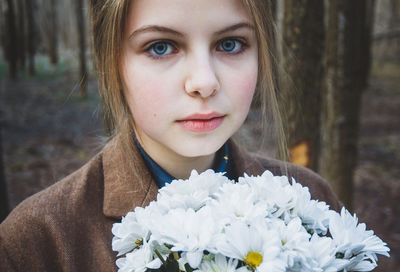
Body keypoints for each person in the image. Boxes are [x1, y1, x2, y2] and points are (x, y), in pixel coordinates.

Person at [0, 0, 340, 271]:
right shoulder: (37, 242)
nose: (204, 82)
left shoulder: (313, 202)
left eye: (230, 43)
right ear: (112, 62)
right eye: (161, 47)